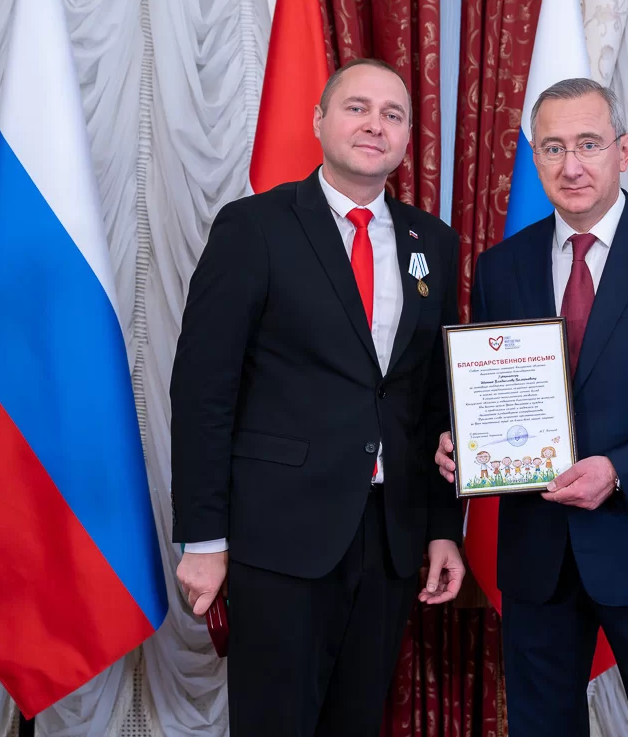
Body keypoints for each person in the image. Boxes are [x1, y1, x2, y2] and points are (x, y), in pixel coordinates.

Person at [436, 78, 628, 736]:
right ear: (536, 159)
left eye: (588, 144)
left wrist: (619, 469)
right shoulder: (501, 267)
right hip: (538, 557)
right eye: (553, 148)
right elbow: (492, 391)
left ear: (623, 150)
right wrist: (463, 440)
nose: (571, 165)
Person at [172, 58, 465, 736]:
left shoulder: (433, 243)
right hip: (281, 536)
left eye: (393, 114)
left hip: (390, 538)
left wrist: (443, 528)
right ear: (319, 120)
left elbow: (434, 399)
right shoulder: (253, 228)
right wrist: (205, 537)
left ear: (407, 137)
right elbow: (203, 390)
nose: (375, 124)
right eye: (357, 107)